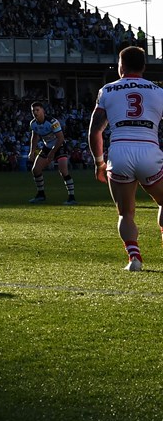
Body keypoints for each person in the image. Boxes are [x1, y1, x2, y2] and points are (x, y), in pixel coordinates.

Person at [88, 46, 163, 271]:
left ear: (121, 66)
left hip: (120, 152)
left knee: (125, 212)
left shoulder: (107, 91)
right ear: (143, 66)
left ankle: (134, 258)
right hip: (149, 150)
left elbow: (95, 131)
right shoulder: (158, 91)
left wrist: (99, 162)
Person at [27, 100, 76, 204]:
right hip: (47, 146)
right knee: (36, 170)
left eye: (37, 110)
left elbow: (60, 138)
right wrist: (32, 151)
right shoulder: (33, 124)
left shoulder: (52, 122)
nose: (35, 112)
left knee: (63, 171)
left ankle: (72, 197)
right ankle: (41, 194)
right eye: (33, 111)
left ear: (43, 111)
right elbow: (34, 137)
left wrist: (53, 152)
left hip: (59, 145)